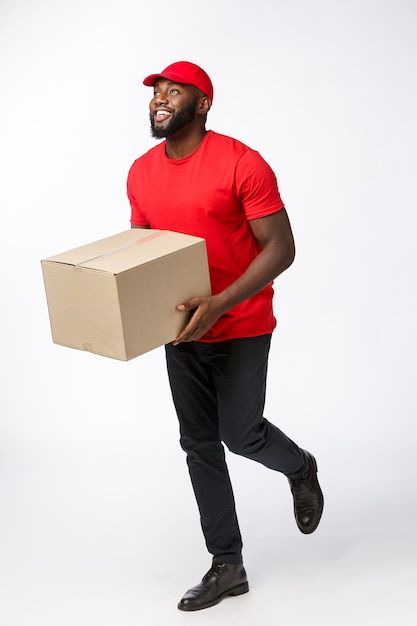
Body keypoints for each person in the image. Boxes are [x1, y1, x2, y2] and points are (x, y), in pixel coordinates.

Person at [127, 60, 324, 612]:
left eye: (174, 91)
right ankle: (227, 566)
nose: (160, 99)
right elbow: (144, 253)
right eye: (155, 92)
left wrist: (220, 304)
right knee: (198, 443)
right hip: (181, 330)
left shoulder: (242, 163)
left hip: (240, 324)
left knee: (241, 434)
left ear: (203, 104)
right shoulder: (141, 172)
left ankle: (300, 466)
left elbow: (281, 249)